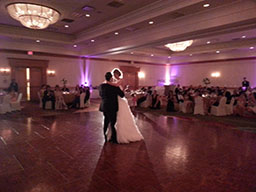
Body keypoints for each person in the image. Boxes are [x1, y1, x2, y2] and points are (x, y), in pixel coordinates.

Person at [105, 68, 144, 144]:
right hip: (116, 100)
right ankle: (114, 135)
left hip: (120, 100)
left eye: (114, 74)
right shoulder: (115, 81)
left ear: (117, 74)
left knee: (121, 116)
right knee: (115, 116)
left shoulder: (121, 80)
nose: (113, 76)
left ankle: (122, 135)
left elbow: (116, 85)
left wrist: (107, 83)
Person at [99, 72, 125, 143]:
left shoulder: (101, 86)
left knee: (106, 121)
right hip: (112, 106)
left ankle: (105, 135)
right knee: (113, 122)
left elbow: (101, 95)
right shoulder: (114, 87)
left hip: (104, 106)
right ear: (111, 78)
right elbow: (122, 95)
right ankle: (113, 138)